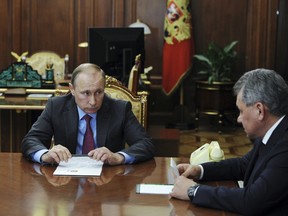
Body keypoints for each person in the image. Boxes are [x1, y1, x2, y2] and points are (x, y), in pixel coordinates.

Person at [170, 68, 288, 215]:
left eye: (241, 111)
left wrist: (193, 190)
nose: (238, 119)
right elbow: (243, 165)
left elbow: (252, 201)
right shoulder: (273, 132)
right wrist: (199, 170)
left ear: (259, 110)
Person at [22, 63, 155, 165]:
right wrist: (45, 155)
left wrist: (118, 157)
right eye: (85, 93)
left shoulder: (119, 109)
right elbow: (30, 140)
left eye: (99, 92)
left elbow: (146, 144)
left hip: (108, 180)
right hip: (66, 183)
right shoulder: (56, 106)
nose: (93, 101)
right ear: (72, 90)